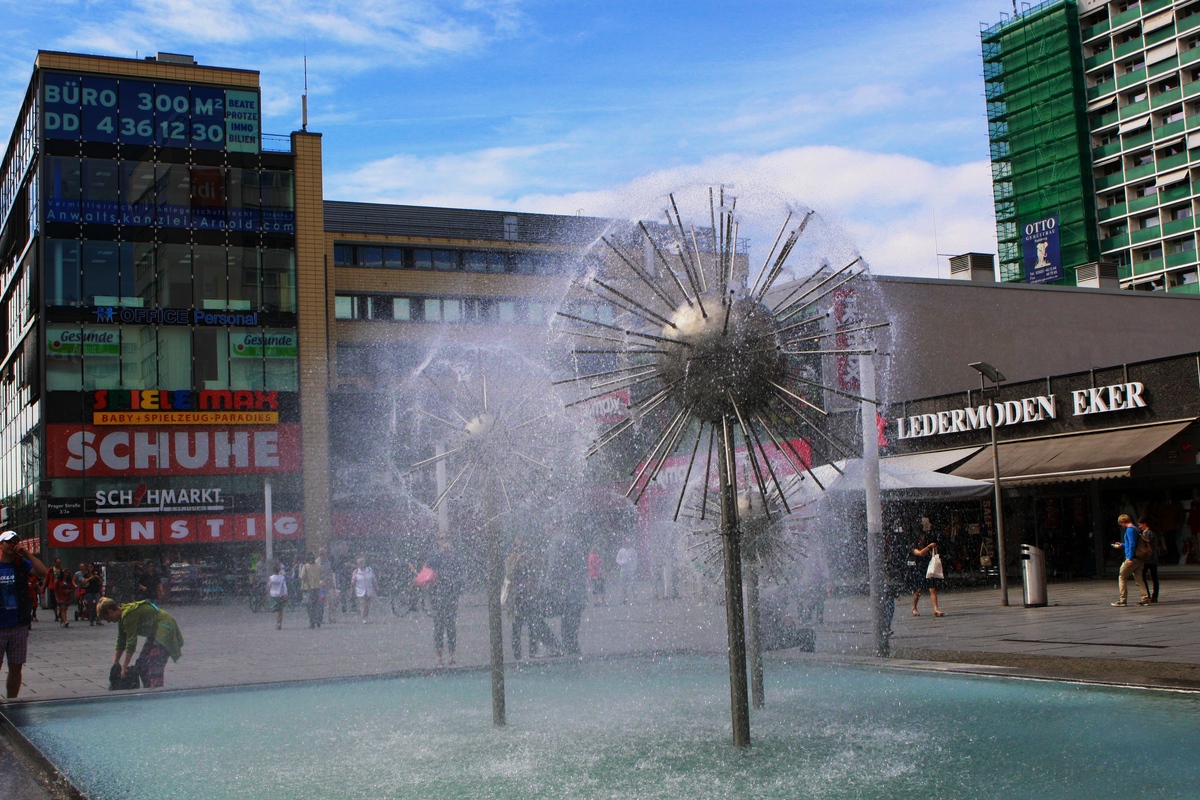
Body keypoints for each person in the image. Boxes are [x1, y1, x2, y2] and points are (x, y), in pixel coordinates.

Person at [0, 530, 48, 699]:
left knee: (16, 666)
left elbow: (43, 572)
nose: (13, 544)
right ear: (1, 544)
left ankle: (12, 701)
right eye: (9, 541)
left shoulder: (21, 563)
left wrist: (27, 554)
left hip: (18, 624)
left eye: (16, 541)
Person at [96, 597, 183, 688]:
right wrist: (115, 663)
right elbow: (121, 640)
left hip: (165, 626)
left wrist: (124, 667)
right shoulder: (122, 617)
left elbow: (131, 643)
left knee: (154, 662)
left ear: (110, 612)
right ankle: (149, 689)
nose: (108, 621)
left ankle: (157, 691)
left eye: (106, 618)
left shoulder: (128, 615)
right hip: (156, 630)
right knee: (142, 664)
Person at [423, 539, 461, 666]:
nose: (446, 545)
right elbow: (427, 568)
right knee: (439, 627)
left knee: (451, 626)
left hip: (451, 597)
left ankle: (451, 654)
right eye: (442, 542)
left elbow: (460, 577)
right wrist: (440, 553)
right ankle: (439, 655)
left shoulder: (455, 560)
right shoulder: (436, 557)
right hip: (438, 597)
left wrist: (456, 592)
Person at [1111, 514, 1151, 607]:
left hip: (1133, 558)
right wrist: (1122, 545)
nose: (1121, 525)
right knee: (1139, 578)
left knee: (1122, 576)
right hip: (1139, 558)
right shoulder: (1136, 529)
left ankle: (1122, 600)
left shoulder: (1129, 530)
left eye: (1120, 523)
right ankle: (1145, 598)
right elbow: (1133, 544)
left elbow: (1132, 544)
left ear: (1123, 522)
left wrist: (1129, 558)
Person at [911, 517, 944, 617]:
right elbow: (920, 553)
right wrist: (929, 546)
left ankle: (936, 609)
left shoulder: (926, 546)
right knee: (919, 589)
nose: (922, 540)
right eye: (921, 539)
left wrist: (933, 549)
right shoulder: (913, 548)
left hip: (928, 568)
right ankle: (914, 607)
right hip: (919, 569)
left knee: (932, 588)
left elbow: (931, 555)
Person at [1138, 516, 1163, 603]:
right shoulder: (1153, 532)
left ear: (1145, 524)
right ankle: (1155, 595)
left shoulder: (1146, 533)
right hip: (1154, 558)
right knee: (1154, 577)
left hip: (1147, 558)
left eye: (1140, 525)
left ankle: (1146, 594)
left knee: (1142, 576)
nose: (1139, 527)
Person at [299, 552, 326, 629]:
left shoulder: (305, 566)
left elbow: (302, 576)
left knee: (309, 606)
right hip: (317, 588)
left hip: (308, 588)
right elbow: (323, 576)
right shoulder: (319, 566)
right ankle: (317, 619)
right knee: (316, 605)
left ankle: (312, 622)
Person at [350, 557, 376, 623]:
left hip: (368, 589)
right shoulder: (356, 572)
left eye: (362, 563)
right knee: (362, 603)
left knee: (367, 605)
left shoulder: (369, 570)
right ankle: (363, 617)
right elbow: (353, 581)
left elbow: (373, 578)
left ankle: (365, 616)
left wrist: (376, 586)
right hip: (360, 590)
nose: (361, 564)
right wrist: (352, 589)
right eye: (360, 563)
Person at [268, 562, 288, 630]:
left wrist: (267, 590)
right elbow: (284, 586)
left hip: (273, 595)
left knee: (276, 609)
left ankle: (278, 622)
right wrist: (285, 593)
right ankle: (280, 622)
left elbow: (269, 585)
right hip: (281, 595)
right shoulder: (282, 578)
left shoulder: (271, 578)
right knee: (280, 609)